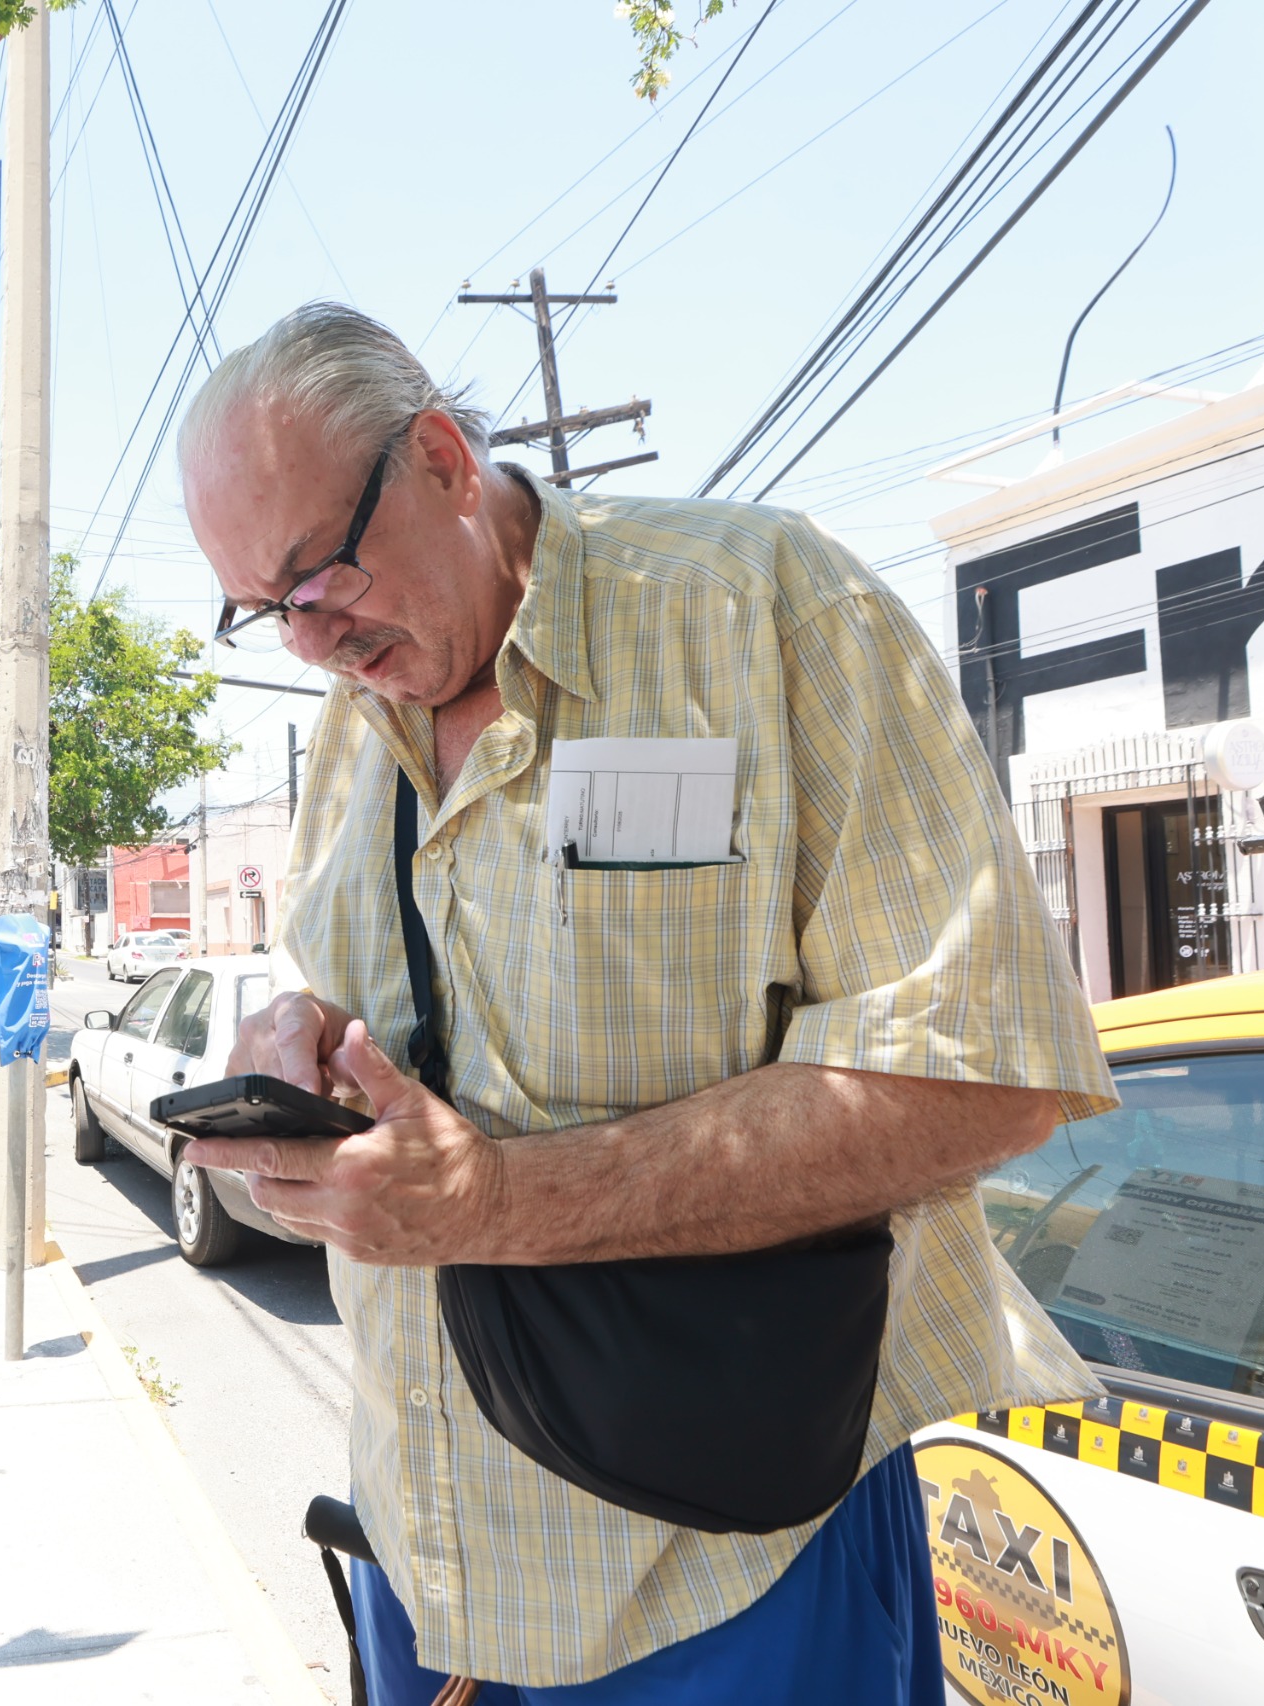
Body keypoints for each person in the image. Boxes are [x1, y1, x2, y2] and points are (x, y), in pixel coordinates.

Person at [175, 305, 1117, 1705]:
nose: (313, 643)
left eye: (318, 576)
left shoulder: (767, 610)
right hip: (422, 1582)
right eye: (266, 608)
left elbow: (979, 1078)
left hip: (734, 1580)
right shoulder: (346, 740)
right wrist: (290, 1043)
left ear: (439, 457)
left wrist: (497, 1201)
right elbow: (350, 990)